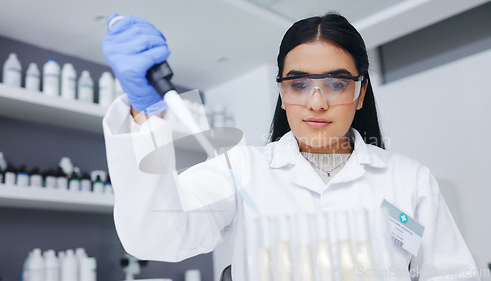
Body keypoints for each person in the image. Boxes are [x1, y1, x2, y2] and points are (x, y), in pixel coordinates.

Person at [101, 12, 480, 281]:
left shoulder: (408, 180)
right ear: (282, 94)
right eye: (298, 84)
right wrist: (142, 112)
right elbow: (155, 235)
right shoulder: (240, 169)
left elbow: (451, 274)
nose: (316, 102)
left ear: (360, 92)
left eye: (336, 83)